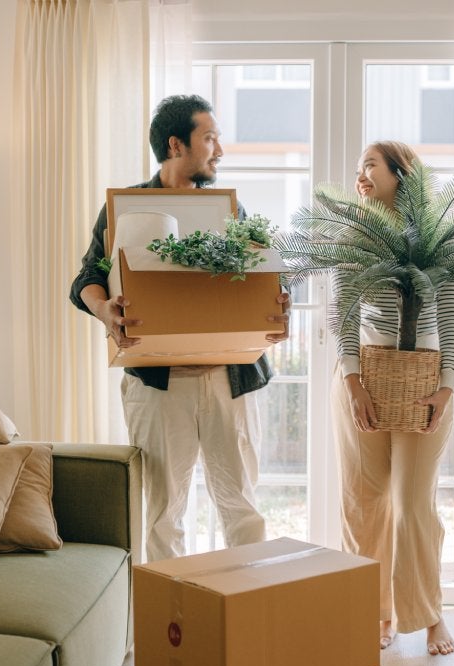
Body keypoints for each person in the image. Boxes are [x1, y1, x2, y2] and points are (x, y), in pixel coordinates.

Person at [69, 94, 291, 562]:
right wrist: (106, 310)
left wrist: (274, 304)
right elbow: (86, 279)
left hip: (228, 380)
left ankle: (248, 622)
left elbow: (264, 277)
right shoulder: (125, 209)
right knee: (162, 514)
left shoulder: (232, 212)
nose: (219, 151)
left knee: (243, 507)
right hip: (157, 384)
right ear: (176, 144)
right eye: (209, 138)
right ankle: (173, 629)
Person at [332, 140, 454, 656]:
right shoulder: (354, 235)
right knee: (364, 503)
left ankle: (430, 616)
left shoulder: (436, 238)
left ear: (399, 173)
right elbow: (341, 314)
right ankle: (376, 613)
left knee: (413, 504)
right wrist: (352, 383)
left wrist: (447, 387)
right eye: (358, 165)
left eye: (370, 164)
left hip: (425, 383)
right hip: (361, 378)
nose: (360, 174)